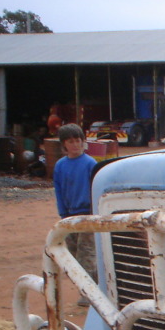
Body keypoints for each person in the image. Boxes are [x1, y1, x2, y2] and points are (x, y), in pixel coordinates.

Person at [53, 123, 99, 303]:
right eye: (70, 141)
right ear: (64, 144)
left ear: (83, 141)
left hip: (87, 214)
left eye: (78, 140)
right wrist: (62, 212)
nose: (75, 145)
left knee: (86, 254)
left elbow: (95, 188)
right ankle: (96, 286)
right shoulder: (60, 166)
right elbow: (58, 189)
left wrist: (93, 211)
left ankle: (87, 293)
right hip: (69, 215)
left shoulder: (90, 163)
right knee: (72, 253)